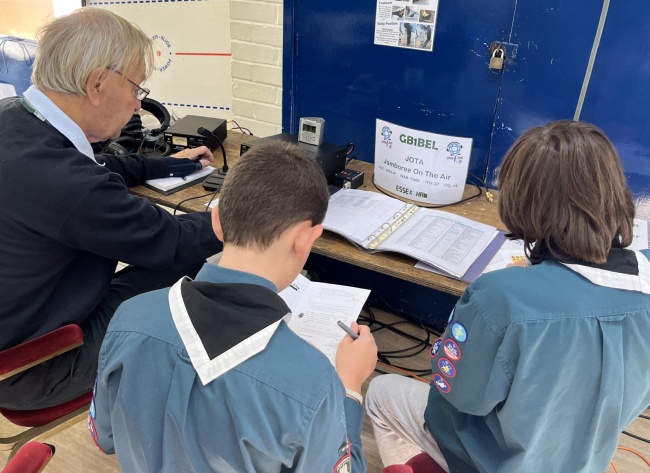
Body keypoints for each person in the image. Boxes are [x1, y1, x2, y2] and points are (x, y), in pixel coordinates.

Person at [365, 120, 650, 472]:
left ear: (521, 203)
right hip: (585, 458)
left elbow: (461, 396)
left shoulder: (500, 297)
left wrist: (452, 348)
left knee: (381, 393)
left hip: (493, 462)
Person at [90, 140, 378, 472]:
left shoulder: (128, 317)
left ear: (217, 222)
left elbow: (104, 436)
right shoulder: (316, 383)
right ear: (306, 239)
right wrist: (351, 390)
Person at [0, 7, 222, 410]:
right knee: (188, 267)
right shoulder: (67, 184)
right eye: (138, 88)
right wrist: (241, 214)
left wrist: (171, 162)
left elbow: (97, 163)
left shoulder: (15, 121)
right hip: (37, 366)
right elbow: (170, 240)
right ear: (97, 83)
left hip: (18, 325)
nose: (138, 105)